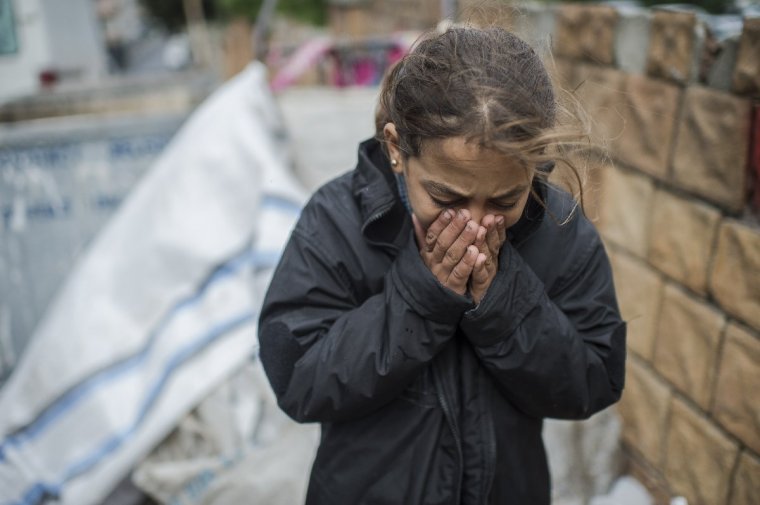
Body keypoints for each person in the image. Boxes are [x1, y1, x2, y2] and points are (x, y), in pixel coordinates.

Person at [258, 26, 626, 505]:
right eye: (445, 196)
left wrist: (502, 297)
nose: (473, 223)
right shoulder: (337, 222)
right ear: (396, 149)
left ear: (533, 166)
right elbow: (298, 379)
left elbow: (593, 381)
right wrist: (421, 298)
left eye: (505, 199)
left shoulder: (559, 232)